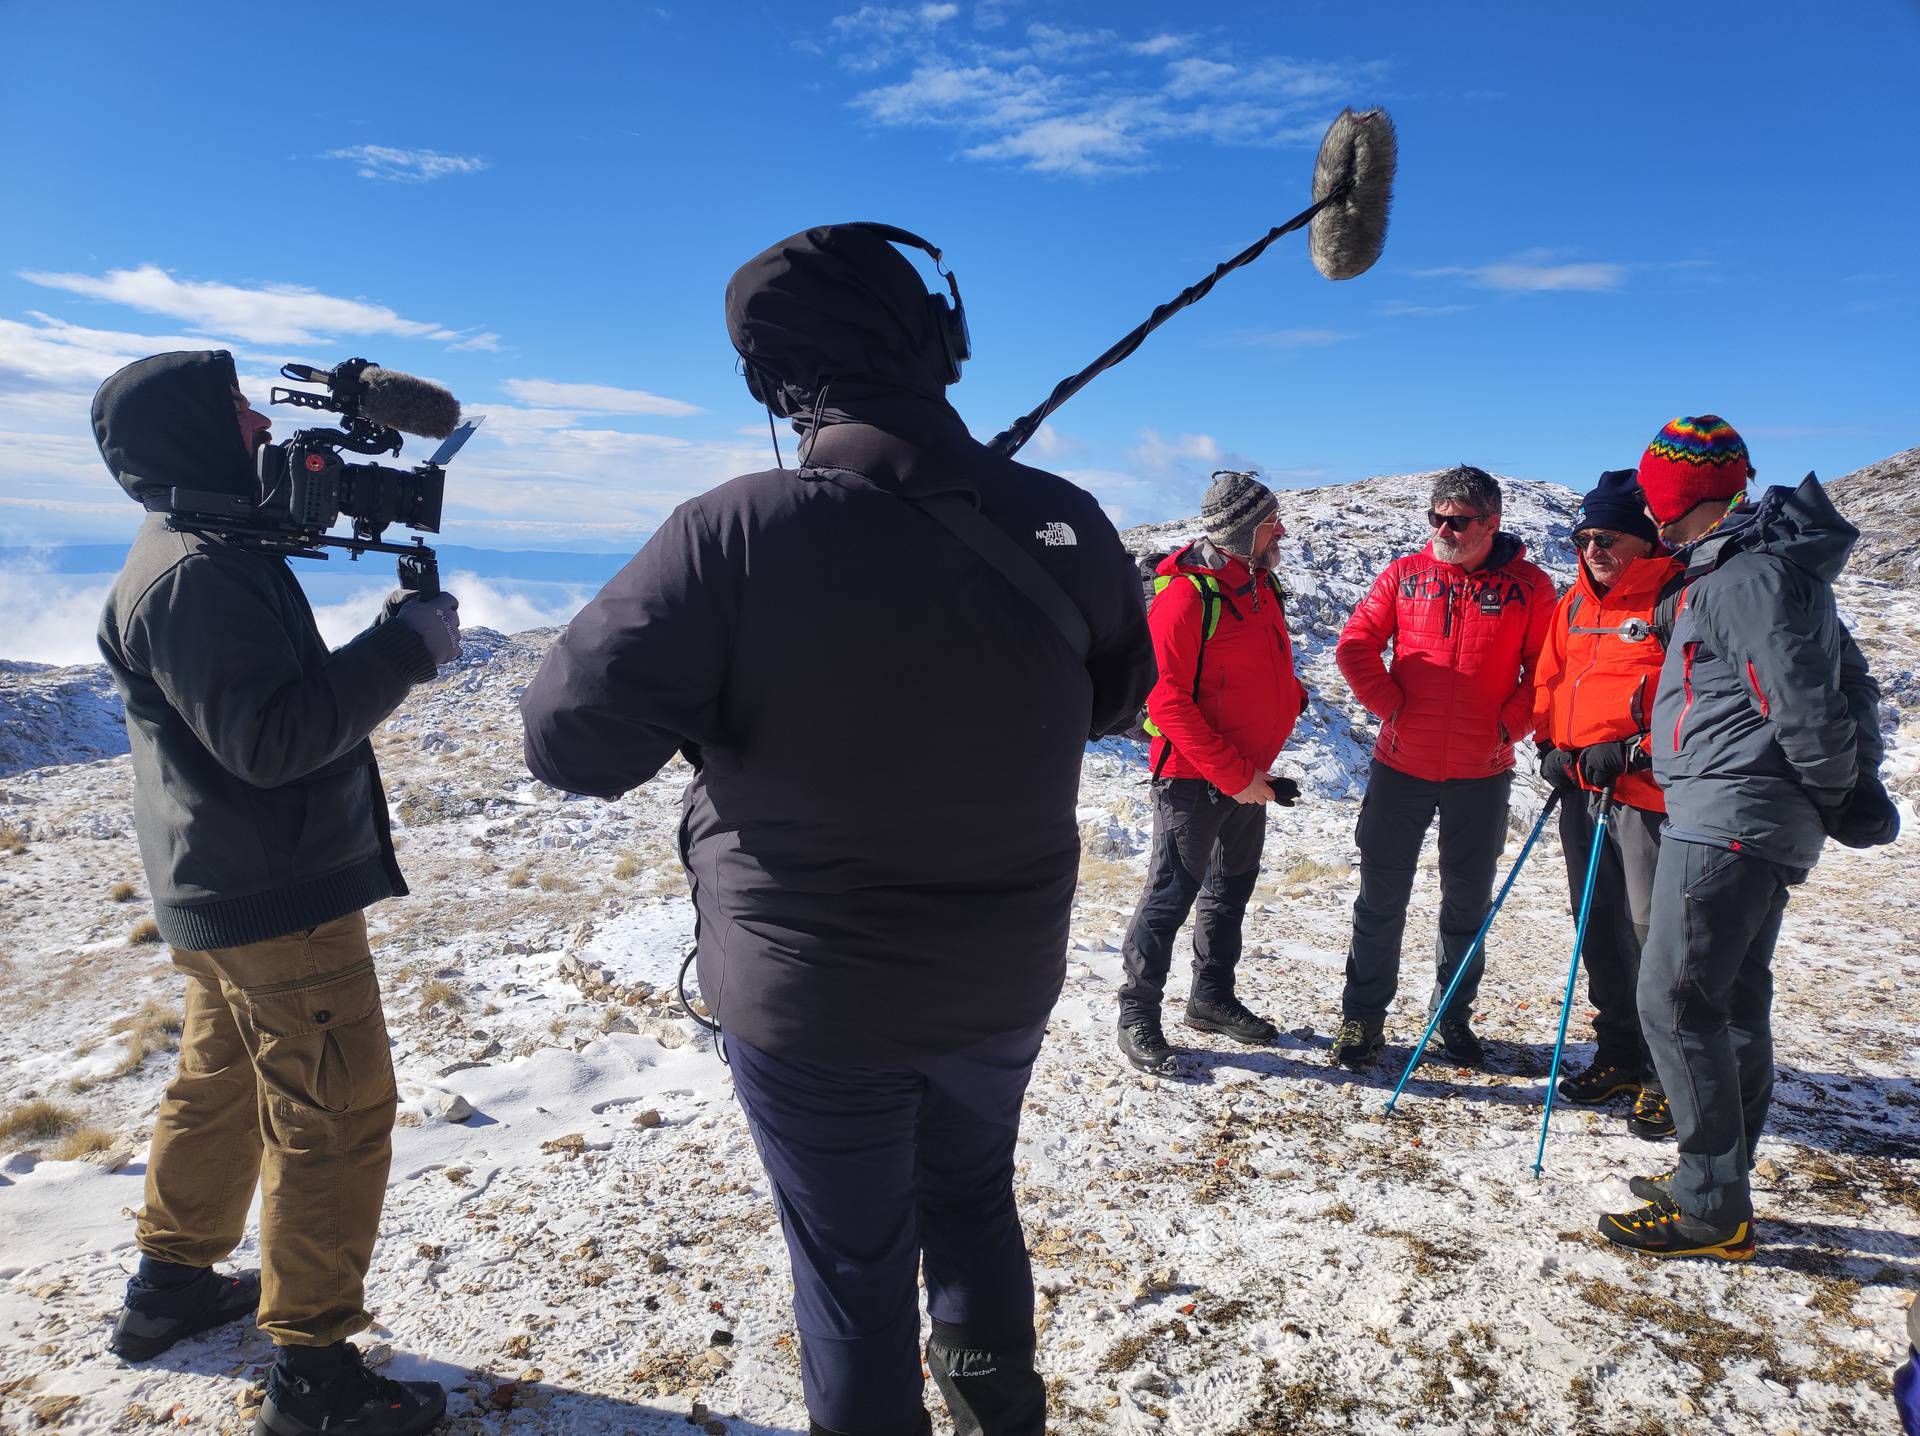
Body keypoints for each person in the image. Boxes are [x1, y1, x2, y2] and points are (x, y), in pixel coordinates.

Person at [519, 225, 1152, 1436]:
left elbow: (571, 745)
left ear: (774, 381)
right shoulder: (1063, 518)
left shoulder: (732, 532)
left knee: (854, 1274)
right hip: (1002, 972)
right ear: (941, 340)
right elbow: (1114, 701)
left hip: (812, 1001)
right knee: (972, 1201)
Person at [93, 351, 459, 1434]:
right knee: (334, 1109)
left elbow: (259, 710)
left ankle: (167, 1284)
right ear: (193, 438)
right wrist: (404, 647)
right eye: (238, 411)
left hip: (225, 884)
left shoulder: (195, 549)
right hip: (277, 890)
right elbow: (275, 738)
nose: (259, 425)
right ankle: (316, 1376)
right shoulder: (194, 574)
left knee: (222, 1080)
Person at [1597, 415, 1898, 1260]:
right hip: (1745, 817)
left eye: (1656, 488)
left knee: (1674, 1000)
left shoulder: (1744, 580)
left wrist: (1844, 792)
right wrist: (1849, 789)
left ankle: (1709, 1209)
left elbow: (1802, 701)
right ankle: (1718, 1183)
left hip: (1728, 821)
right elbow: (1848, 681)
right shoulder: (1761, 571)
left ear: (1674, 494)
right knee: (1727, 1005)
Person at [1330, 465, 1555, 1070]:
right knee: (1380, 898)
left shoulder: (1530, 587)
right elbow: (1355, 645)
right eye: (1435, 517)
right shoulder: (1404, 575)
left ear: (1492, 523)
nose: (1443, 529)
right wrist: (1390, 707)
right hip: (1400, 765)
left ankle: (1451, 1015)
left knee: (1466, 904)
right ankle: (1362, 1019)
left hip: (1481, 773)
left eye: (1456, 521)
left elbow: (1546, 670)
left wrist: (1508, 726)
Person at [1115, 469, 1306, 1075]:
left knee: (1230, 889)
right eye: (1272, 521)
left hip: (1249, 773)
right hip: (1194, 778)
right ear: (1246, 529)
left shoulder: (1259, 585)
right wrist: (1233, 775)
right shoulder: (1186, 596)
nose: (1281, 530)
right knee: (1171, 894)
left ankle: (1211, 998)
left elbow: (1263, 663)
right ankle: (1137, 1015)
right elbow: (1164, 700)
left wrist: (1288, 699)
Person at [1531, 469, 1680, 1139]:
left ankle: (1667, 1076)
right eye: (1583, 536)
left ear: (1643, 539)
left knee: (1658, 937)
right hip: (1584, 794)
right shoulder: (1572, 606)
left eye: (1607, 536)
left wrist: (1633, 752)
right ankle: (1620, 1052)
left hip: (1653, 799)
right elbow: (1549, 681)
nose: (1593, 547)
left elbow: (1700, 703)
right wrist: (1550, 746)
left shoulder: (1677, 598)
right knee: (1600, 929)